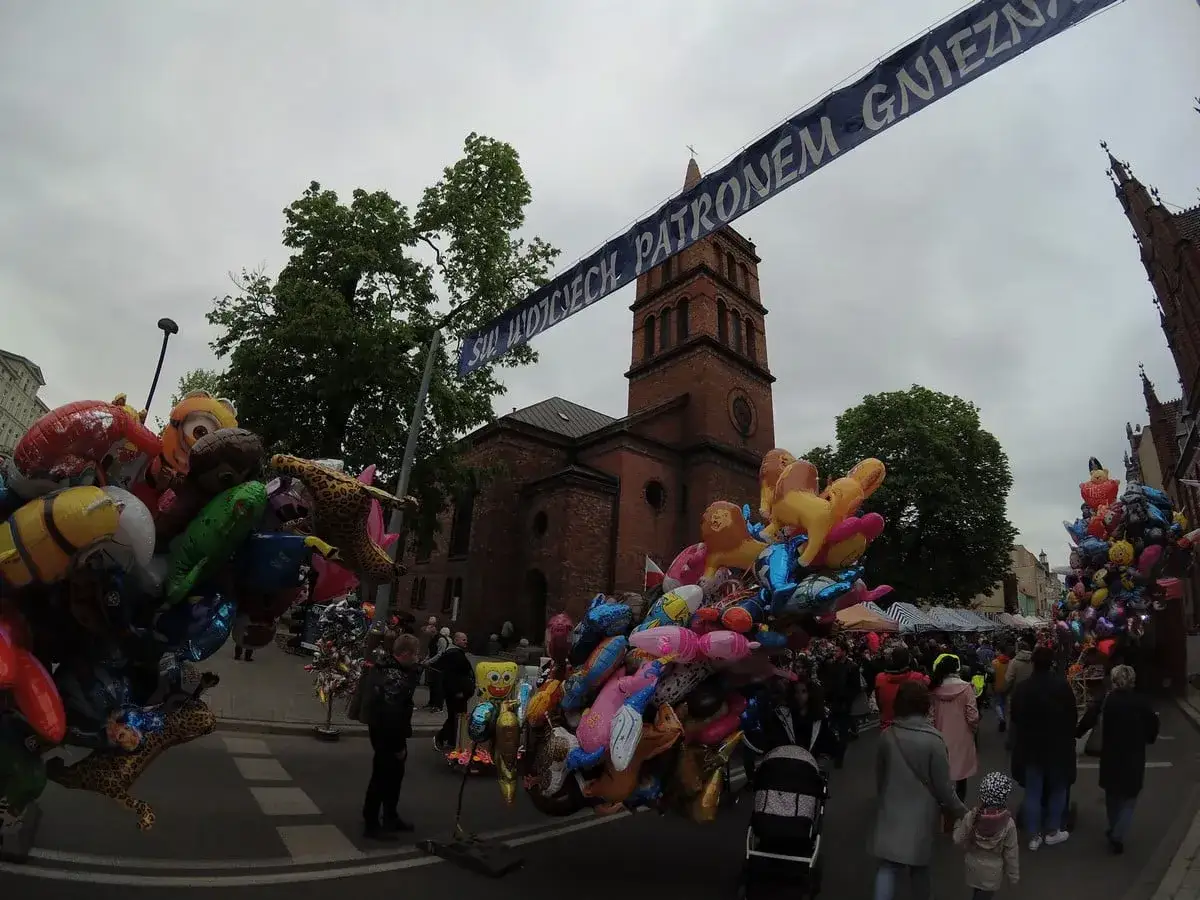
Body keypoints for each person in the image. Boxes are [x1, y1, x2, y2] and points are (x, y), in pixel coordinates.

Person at [871, 681, 968, 900]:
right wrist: (962, 811)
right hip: (922, 814)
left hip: (891, 808)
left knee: (887, 867)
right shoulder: (934, 740)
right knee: (920, 869)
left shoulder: (888, 736)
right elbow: (944, 787)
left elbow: (880, 776)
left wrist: (883, 800)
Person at [1076, 664, 1159, 854]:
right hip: (1134, 755)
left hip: (1110, 754)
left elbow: (1089, 718)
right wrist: (1149, 738)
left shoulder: (1106, 700)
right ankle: (1118, 834)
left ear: (1113, 680)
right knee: (1130, 797)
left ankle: (1114, 828)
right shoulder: (1141, 702)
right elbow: (1153, 726)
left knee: (1112, 796)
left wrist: (1077, 733)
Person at [1009, 646, 1076, 850]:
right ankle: (1053, 831)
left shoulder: (1022, 689)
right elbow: (1072, 716)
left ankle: (1033, 835)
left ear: (1033, 664)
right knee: (1058, 789)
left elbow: (1016, 718)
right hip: (1057, 747)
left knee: (1033, 792)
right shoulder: (1062, 687)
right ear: (1052, 663)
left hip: (1031, 748)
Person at [360, 632, 420, 840]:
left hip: (383, 730)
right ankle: (372, 823)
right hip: (387, 734)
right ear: (404, 654)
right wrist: (398, 746)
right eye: (415, 654)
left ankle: (390, 817)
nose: (417, 658)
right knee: (383, 777)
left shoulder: (390, 669)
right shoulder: (393, 676)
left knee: (393, 777)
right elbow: (392, 714)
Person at [953, 771, 1020, 900]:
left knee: (977, 893)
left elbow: (958, 839)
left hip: (973, 867)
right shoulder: (1008, 824)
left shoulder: (972, 817)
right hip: (993, 873)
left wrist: (957, 825)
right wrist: (1013, 877)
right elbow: (1011, 853)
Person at [930, 654, 980, 811]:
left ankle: (943, 806)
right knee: (961, 775)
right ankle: (959, 809)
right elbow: (972, 716)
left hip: (939, 736)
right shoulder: (966, 688)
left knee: (941, 774)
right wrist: (972, 730)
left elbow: (930, 716)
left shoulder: (934, 690)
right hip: (962, 736)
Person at [429, 631, 474, 753]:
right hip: (456, 693)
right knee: (456, 717)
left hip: (457, 692)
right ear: (456, 640)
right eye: (463, 639)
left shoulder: (456, 653)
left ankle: (452, 740)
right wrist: (458, 691)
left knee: (456, 717)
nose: (466, 642)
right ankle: (443, 737)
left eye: (466, 639)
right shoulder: (454, 654)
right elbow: (453, 677)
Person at [875, 646, 930, 731]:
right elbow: (928, 684)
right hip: (911, 727)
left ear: (892, 659)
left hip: (887, 726)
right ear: (908, 660)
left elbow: (879, 702)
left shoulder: (880, 678)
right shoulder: (917, 677)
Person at [823, 642, 860, 765]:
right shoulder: (832, 665)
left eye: (837, 650)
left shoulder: (852, 667)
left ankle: (840, 757)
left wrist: (846, 698)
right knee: (829, 729)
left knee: (843, 732)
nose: (835, 652)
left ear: (844, 652)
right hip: (833, 703)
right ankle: (835, 751)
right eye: (834, 650)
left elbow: (856, 688)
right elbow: (828, 683)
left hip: (844, 704)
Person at [424, 626, 451, 713]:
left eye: (428, 634)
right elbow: (430, 652)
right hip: (433, 665)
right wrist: (425, 660)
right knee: (432, 684)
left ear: (433, 632)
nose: (427, 636)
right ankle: (432, 702)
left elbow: (440, 654)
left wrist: (429, 661)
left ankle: (439, 706)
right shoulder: (432, 639)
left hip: (440, 665)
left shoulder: (441, 640)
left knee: (439, 685)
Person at [991, 644, 1012, 732]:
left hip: (997, 685)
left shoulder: (994, 662)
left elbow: (992, 675)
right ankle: (1003, 719)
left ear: (999, 651)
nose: (995, 652)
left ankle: (1001, 719)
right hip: (1007, 685)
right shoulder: (1010, 661)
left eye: (996, 650)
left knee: (997, 703)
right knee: (1003, 703)